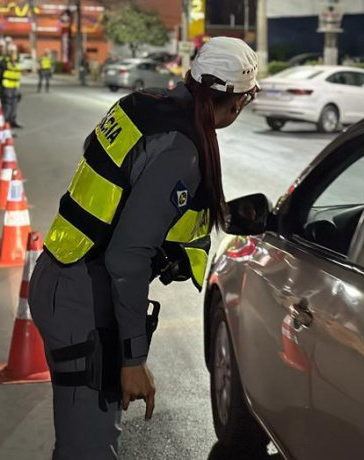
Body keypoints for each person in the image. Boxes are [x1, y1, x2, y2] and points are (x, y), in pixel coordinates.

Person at [28, 37, 258, 459]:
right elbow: (126, 256)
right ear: (238, 100)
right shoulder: (181, 147)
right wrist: (133, 359)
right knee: (89, 449)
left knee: (83, 440)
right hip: (84, 297)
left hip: (61, 275)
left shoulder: (143, 105)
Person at [1, 45, 23, 128]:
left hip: (15, 87)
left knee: (14, 105)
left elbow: (18, 75)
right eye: (11, 52)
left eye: (14, 51)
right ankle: (5, 122)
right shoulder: (4, 62)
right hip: (6, 86)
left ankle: (12, 121)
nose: (13, 53)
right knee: (7, 106)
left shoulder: (17, 62)